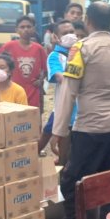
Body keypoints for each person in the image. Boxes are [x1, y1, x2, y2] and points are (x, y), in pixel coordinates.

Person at [47, 2, 110, 219]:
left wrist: (58, 132)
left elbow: (69, 91)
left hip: (90, 127)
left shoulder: (81, 49)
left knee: (71, 182)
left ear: (88, 21)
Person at [37, 20, 78, 164]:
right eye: (65, 33)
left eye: (72, 32)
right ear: (56, 36)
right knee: (57, 140)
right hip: (63, 109)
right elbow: (61, 78)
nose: (70, 35)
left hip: (83, 111)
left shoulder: (83, 51)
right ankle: (34, 155)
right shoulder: (55, 56)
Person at [0, 16, 47, 108]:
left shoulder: (39, 49)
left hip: (33, 92)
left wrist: (41, 80)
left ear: (34, 29)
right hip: (13, 91)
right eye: (22, 27)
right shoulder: (9, 46)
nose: (26, 29)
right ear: (17, 30)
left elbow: (45, 68)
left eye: (29, 27)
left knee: (33, 118)